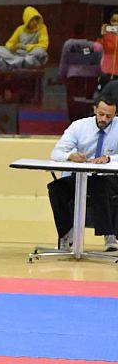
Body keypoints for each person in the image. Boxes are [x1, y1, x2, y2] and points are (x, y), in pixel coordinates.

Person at [48, 95, 118, 252]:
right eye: (101, 114)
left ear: (115, 115)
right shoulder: (79, 126)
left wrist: (109, 159)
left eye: (109, 116)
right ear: (94, 110)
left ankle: (109, 234)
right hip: (81, 177)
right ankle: (66, 234)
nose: (104, 119)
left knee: (100, 183)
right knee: (56, 189)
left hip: (110, 179)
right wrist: (70, 156)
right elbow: (56, 153)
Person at [97, 9, 118, 91]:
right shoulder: (106, 36)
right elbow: (96, 48)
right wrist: (101, 35)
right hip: (106, 73)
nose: (116, 24)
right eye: (114, 21)